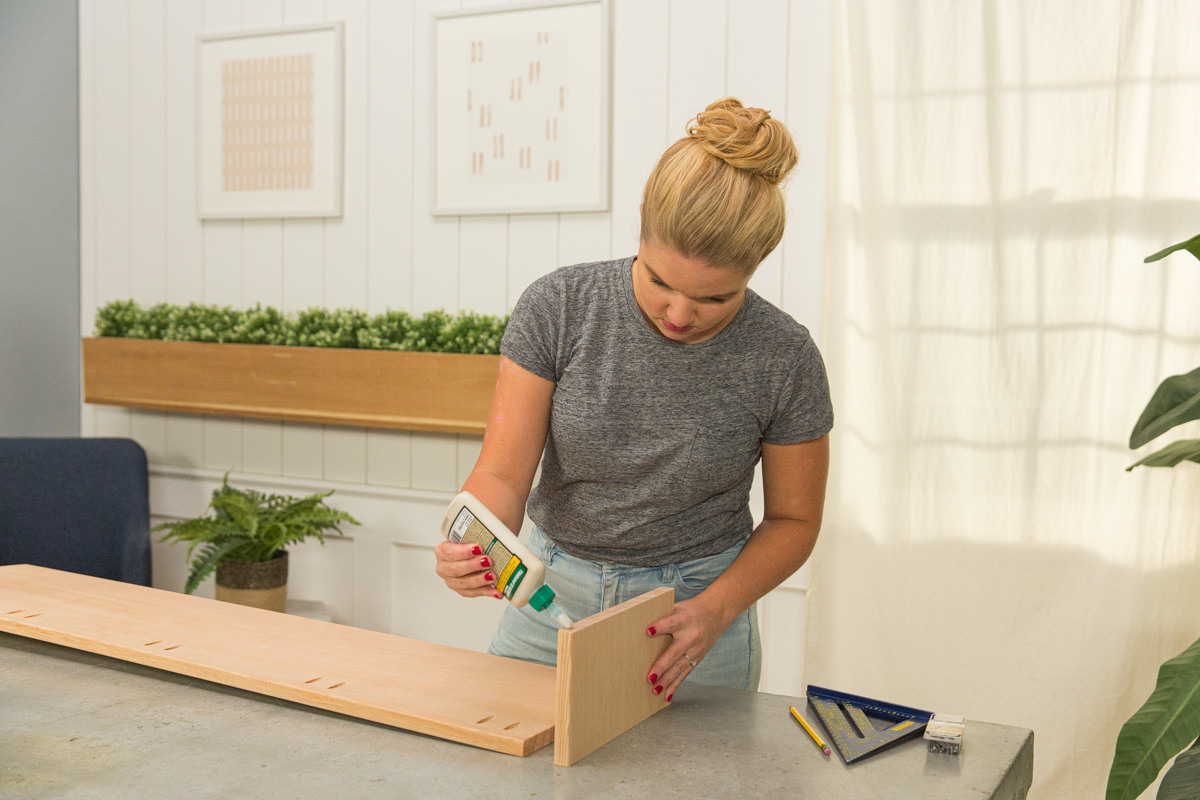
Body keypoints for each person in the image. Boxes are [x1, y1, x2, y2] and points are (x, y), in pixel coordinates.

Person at [435, 97, 832, 704]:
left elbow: (794, 522)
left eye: (716, 300)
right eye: (659, 281)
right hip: (549, 595)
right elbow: (502, 475)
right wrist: (480, 546)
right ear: (643, 220)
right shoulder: (559, 308)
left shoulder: (785, 356)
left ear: (756, 267)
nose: (679, 314)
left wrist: (715, 610)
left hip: (698, 615)